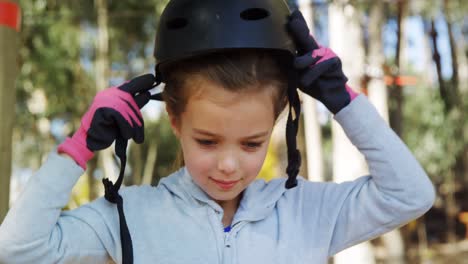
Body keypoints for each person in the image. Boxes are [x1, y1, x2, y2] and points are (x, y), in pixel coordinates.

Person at [0, 1, 435, 263]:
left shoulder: (308, 211)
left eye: (252, 143)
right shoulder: (131, 215)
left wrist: (345, 103)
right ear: (175, 120)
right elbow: (18, 250)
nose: (229, 165)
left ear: (277, 122)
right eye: (207, 141)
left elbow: (410, 195)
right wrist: (78, 148)